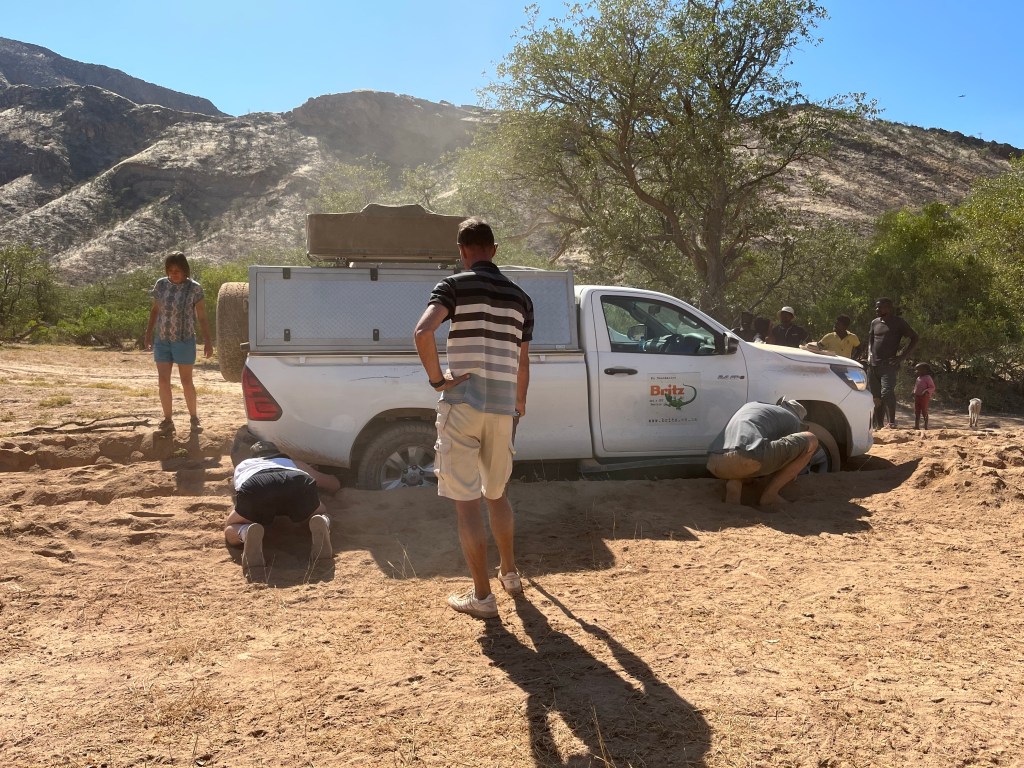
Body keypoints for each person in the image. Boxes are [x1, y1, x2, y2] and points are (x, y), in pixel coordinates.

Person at [414, 217, 534, 619]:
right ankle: (510, 574)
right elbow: (522, 362)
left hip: (462, 404)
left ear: (463, 251)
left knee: (467, 504)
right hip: (502, 409)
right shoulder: (520, 297)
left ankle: (482, 597)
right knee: (497, 494)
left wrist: (438, 380)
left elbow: (422, 332)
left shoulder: (453, 286)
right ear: (494, 250)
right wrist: (518, 405)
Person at [224, 441, 341, 569]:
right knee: (322, 512)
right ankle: (323, 522)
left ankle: (245, 532)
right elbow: (332, 484)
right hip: (296, 481)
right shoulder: (293, 463)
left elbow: (237, 491)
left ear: (253, 457)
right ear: (277, 453)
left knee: (231, 525)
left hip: (256, 485)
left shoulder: (243, 465)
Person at [144, 252, 213, 436]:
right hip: (163, 339)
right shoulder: (161, 285)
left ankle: (194, 418)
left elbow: (202, 316)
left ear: (185, 270)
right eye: (170, 270)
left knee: (186, 381)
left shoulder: (194, 288)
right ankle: (168, 420)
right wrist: (148, 334)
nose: (174, 274)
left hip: (184, 340)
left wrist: (208, 341)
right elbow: (155, 310)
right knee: (163, 381)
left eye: (177, 270)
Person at [706, 399, 819, 507]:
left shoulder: (755, 407)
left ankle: (735, 483)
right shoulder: (793, 420)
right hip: (746, 458)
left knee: (748, 449)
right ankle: (770, 495)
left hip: (715, 462)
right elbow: (788, 460)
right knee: (811, 439)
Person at [867, 298, 919, 429]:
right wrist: (869, 354)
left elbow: (915, 338)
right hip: (873, 366)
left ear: (888, 308)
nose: (877, 309)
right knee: (876, 397)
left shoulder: (898, 323)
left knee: (887, 393)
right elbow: (870, 340)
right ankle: (878, 425)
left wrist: (901, 357)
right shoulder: (874, 322)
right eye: (876, 307)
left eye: (880, 307)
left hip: (888, 365)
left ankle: (891, 423)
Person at [913, 362, 936, 430]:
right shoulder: (918, 378)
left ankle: (925, 426)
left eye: (918, 370)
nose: (916, 371)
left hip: (924, 397)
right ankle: (916, 426)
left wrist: (926, 391)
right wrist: (913, 392)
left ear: (924, 370)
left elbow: (932, 387)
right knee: (917, 411)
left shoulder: (928, 378)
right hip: (917, 396)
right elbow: (916, 386)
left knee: (924, 411)